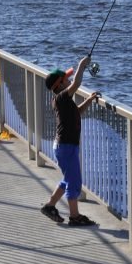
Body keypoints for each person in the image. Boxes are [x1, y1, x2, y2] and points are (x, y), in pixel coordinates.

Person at [40, 56, 101, 226]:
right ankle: (74, 216)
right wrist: (82, 65)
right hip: (65, 146)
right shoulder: (61, 98)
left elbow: (77, 112)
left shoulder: (64, 101)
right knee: (74, 182)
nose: (69, 81)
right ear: (59, 85)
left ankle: (50, 205)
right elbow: (77, 84)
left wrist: (88, 100)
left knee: (69, 178)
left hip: (67, 146)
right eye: (66, 79)